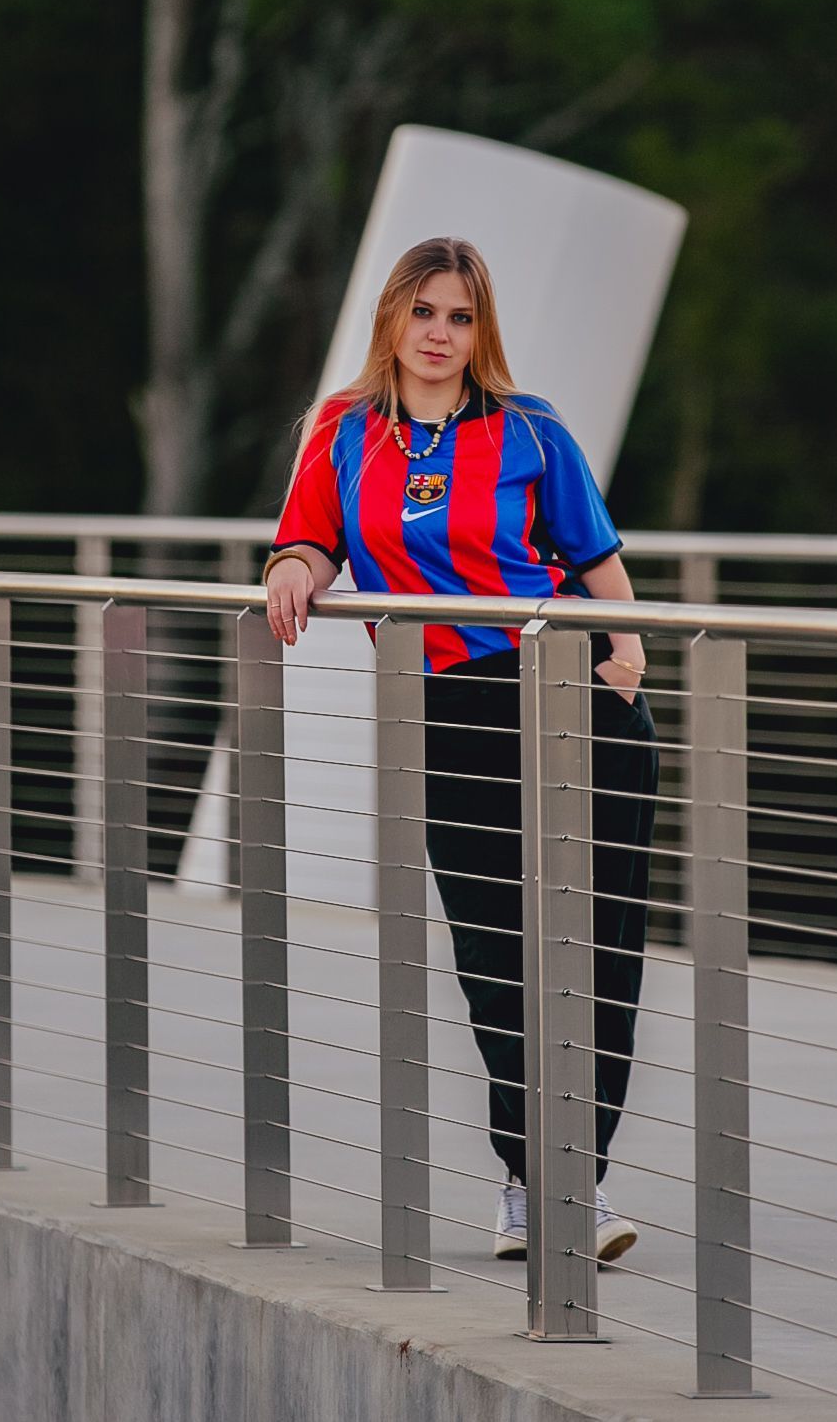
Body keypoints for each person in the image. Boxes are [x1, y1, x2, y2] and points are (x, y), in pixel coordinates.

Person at [263, 235, 659, 1264]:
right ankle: (537, 1175)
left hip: (567, 690)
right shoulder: (343, 431)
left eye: (461, 316)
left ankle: (564, 1184)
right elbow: (309, 535)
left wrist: (623, 653)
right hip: (446, 707)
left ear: (481, 331)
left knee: (595, 945)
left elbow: (597, 560)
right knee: (494, 952)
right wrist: (295, 568)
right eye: (424, 311)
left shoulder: (529, 429)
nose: (439, 334)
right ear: (391, 317)